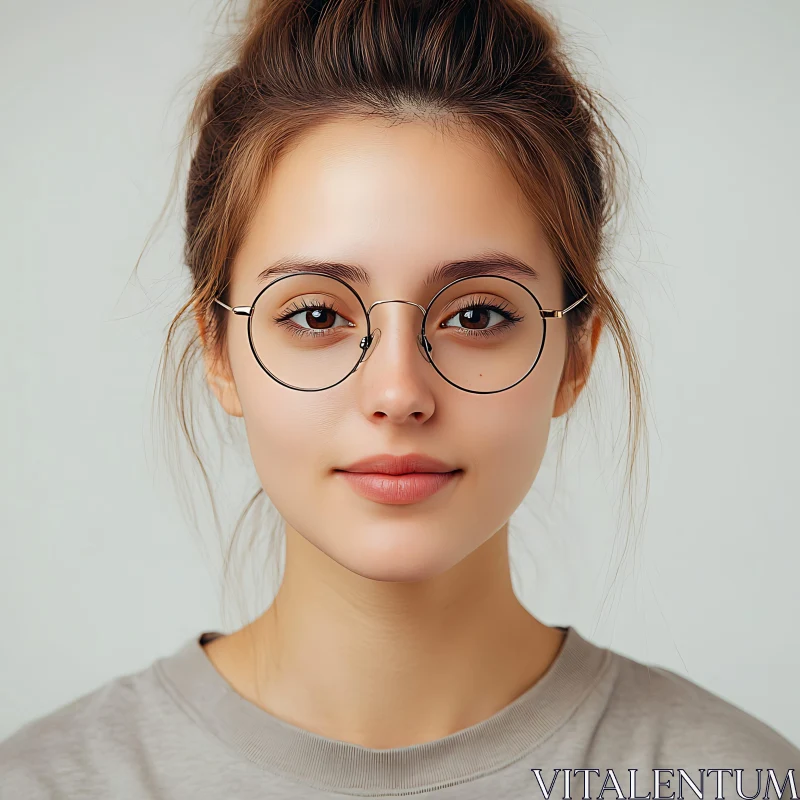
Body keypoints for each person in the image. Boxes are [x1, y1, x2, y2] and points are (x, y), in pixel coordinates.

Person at [1, 0, 797, 797]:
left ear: (574, 357)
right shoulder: (47, 785)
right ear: (219, 351)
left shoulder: (736, 781)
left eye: (477, 315)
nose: (396, 393)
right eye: (315, 315)